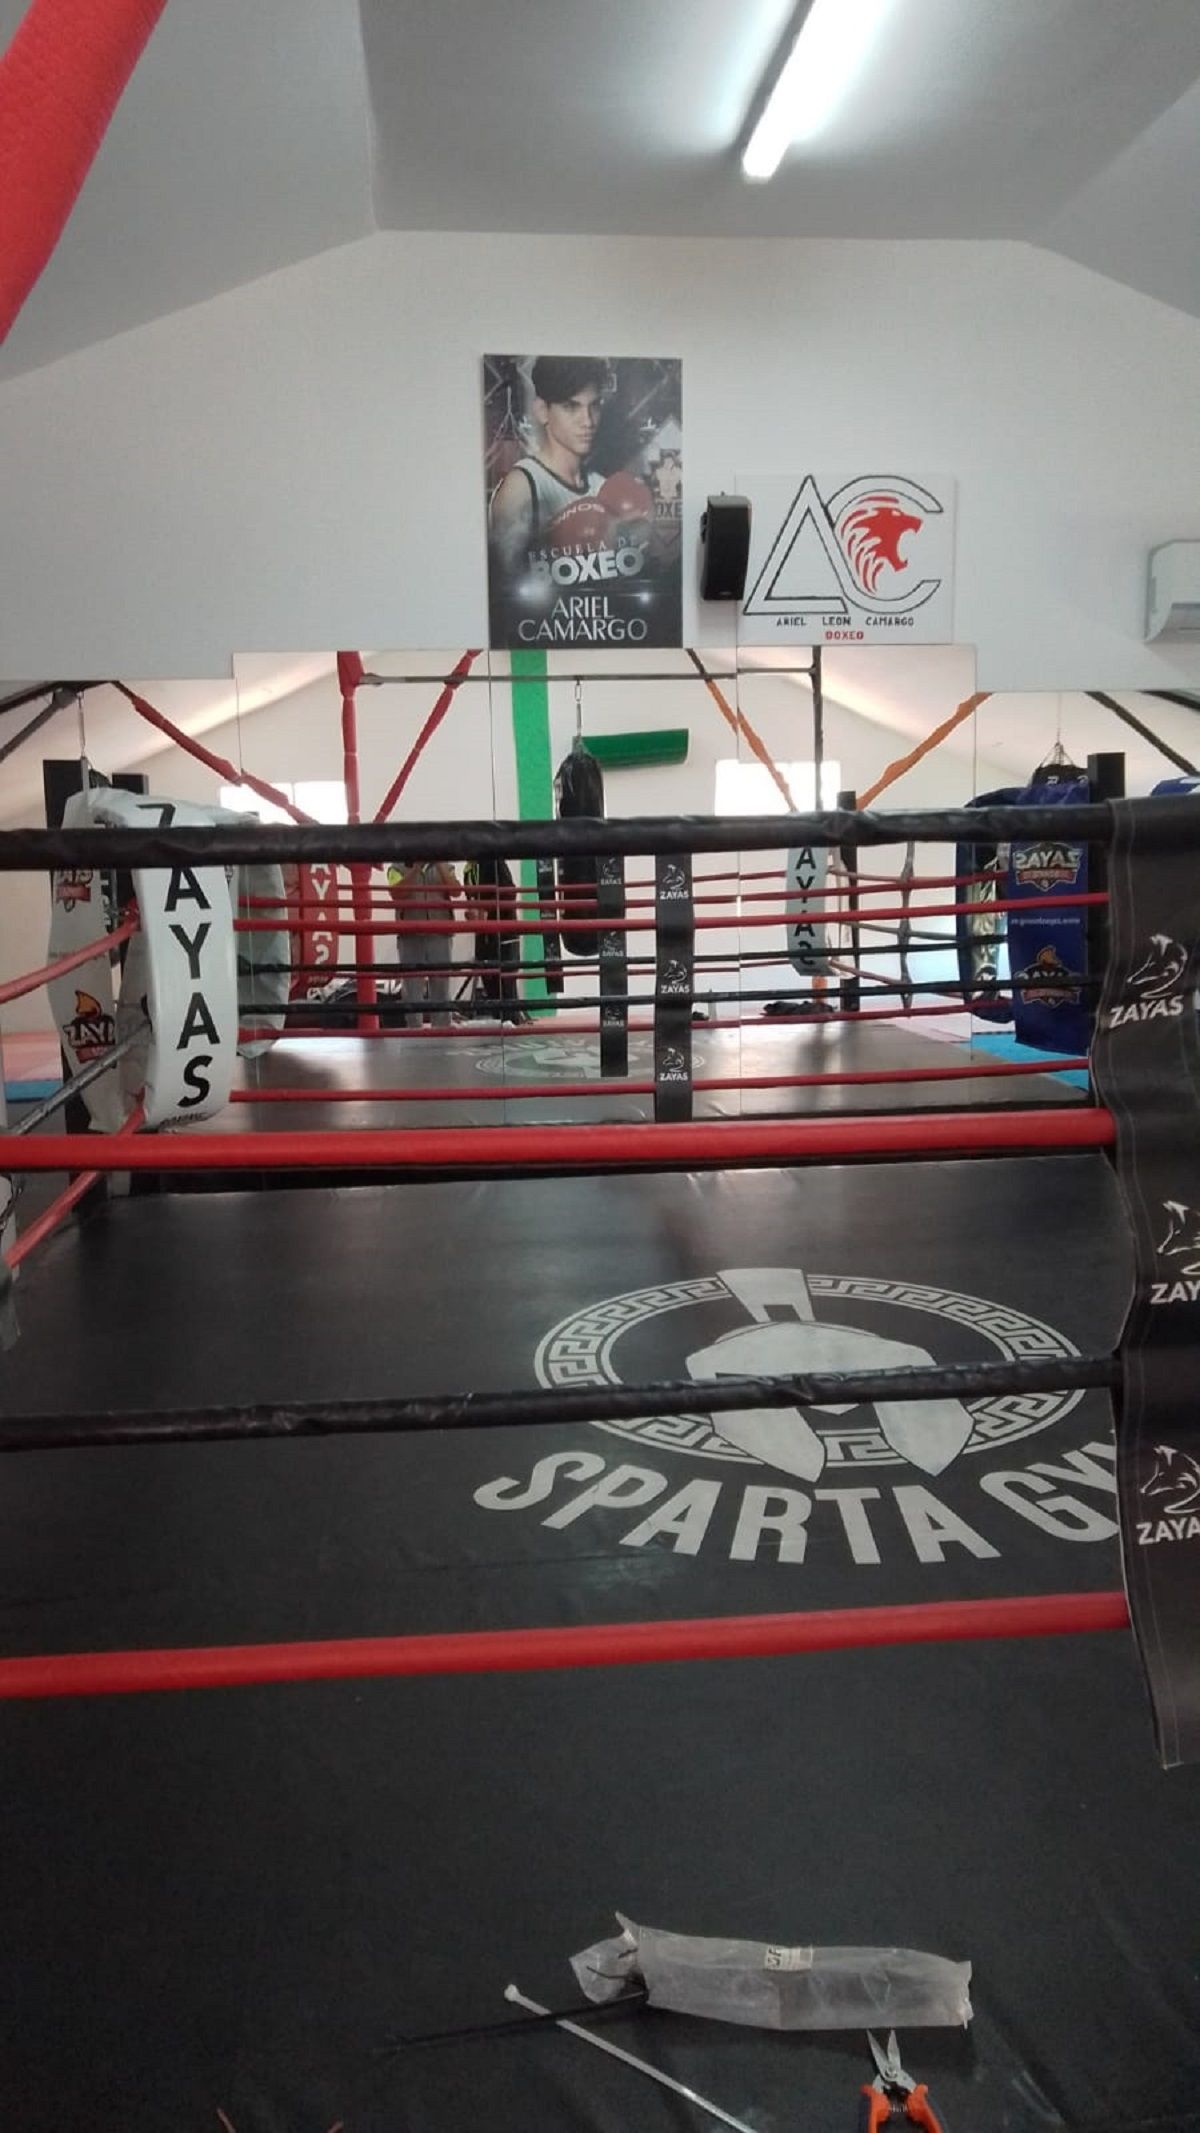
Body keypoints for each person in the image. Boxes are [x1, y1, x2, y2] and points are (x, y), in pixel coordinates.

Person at [488, 356, 609, 575]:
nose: (588, 421)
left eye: (594, 406)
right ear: (543, 410)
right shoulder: (523, 487)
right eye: (571, 407)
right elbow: (504, 587)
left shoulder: (602, 486)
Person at [386, 860, 459, 1026]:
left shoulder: (446, 866)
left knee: (441, 986)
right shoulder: (397, 867)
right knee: (411, 988)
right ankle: (414, 1030)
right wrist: (415, 869)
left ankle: (442, 1029)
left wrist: (439, 865)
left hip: (440, 933)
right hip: (410, 935)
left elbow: (456, 891)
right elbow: (396, 893)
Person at [463, 857, 528, 1022]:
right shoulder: (469, 869)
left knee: (505, 985)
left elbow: (510, 893)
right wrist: (472, 913)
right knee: (489, 981)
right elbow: (472, 898)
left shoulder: (494, 862)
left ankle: (511, 1023)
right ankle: (500, 1019)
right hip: (483, 934)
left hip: (503, 934)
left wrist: (487, 910)